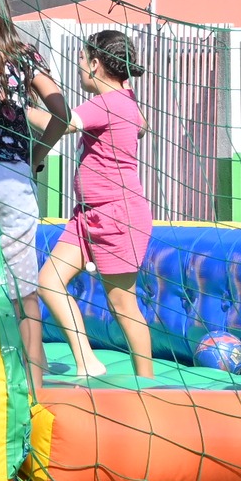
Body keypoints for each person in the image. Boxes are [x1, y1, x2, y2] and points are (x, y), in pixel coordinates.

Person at [0, 0, 69, 388]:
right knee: (25, 293)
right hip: (12, 177)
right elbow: (61, 114)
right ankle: (35, 391)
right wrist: (37, 155)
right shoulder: (24, 56)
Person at [36, 30, 155, 381]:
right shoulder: (125, 101)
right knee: (49, 281)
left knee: (123, 304)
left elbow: (60, 124)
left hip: (118, 216)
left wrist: (19, 109)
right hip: (86, 216)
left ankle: (148, 385)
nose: (79, 70)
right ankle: (87, 360)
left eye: (81, 62)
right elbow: (143, 127)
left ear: (96, 63)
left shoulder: (107, 103)